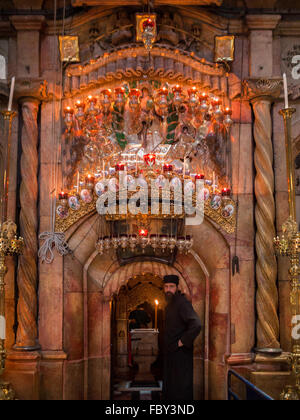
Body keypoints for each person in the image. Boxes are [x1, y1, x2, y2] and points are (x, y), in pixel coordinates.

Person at [163, 274, 201, 400]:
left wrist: (182, 342)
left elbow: (196, 324)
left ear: (177, 287)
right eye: (166, 287)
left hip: (181, 355)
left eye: (171, 287)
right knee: (172, 388)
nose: (168, 289)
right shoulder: (170, 304)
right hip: (171, 354)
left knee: (180, 389)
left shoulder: (182, 302)